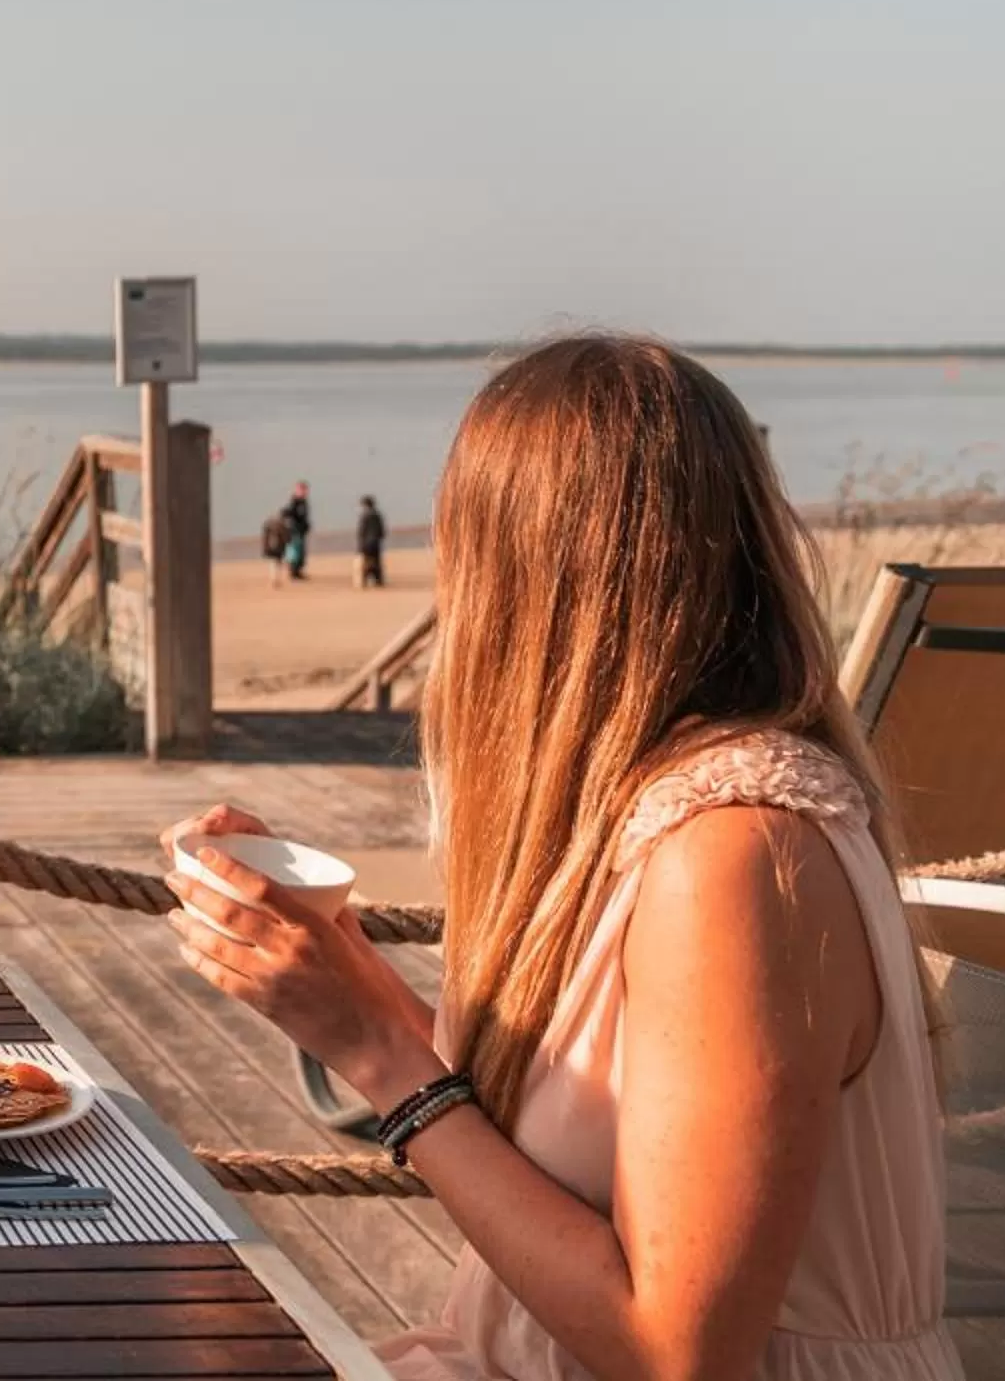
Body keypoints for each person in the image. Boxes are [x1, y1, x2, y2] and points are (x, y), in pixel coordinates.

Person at [162, 335, 954, 1381]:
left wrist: (384, 1057)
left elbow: (678, 1351)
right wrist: (347, 981)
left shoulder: (738, 854)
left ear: (525, 587)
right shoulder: (645, 823)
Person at [281, 481, 312, 581]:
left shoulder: (304, 502)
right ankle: (293, 573)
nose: (304, 492)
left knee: (301, 553)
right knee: (294, 552)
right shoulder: (294, 502)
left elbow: (304, 517)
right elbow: (287, 513)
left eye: (305, 490)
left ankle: (298, 572)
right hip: (295, 531)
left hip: (301, 531)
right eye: (301, 489)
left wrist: (306, 526)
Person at [355, 495, 387, 588]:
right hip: (376, 542)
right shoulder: (377, 514)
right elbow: (381, 529)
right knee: (376, 562)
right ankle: (378, 580)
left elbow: (362, 531)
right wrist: (380, 537)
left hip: (367, 543)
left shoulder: (365, 516)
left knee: (366, 562)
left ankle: (365, 580)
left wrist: (360, 544)